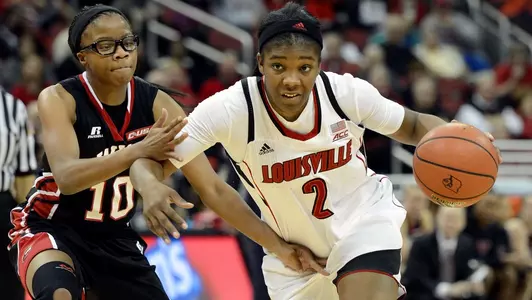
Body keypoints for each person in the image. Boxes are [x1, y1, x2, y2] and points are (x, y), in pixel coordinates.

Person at [130, 2, 501, 300]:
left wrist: (458, 138)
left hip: (364, 224)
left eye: (304, 67)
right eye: (278, 66)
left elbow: (416, 125)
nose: (292, 79)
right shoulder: (231, 109)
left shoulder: (345, 93)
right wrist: (149, 186)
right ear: (259, 63)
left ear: (319, 66)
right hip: (292, 256)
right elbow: (149, 161)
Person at [8, 5, 311, 300]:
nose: (121, 52)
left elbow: (214, 190)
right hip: (52, 228)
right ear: (82, 57)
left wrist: (279, 247)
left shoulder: (158, 104)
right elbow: (67, 178)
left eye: (128, 42)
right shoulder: (60, 98)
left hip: (115, 238)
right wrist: (137, 150)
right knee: (58, 293)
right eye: (105, 45)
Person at [0, 86, 38, 300]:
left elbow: (24, 173)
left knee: (8, 284)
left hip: (3, 205)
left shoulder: (14, 108)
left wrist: (23, 222)